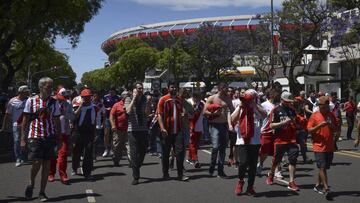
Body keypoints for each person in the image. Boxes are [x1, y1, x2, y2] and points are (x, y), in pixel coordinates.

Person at [21, 77, 61, 201]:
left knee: (47, 165)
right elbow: (25, 120)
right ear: (41, 87)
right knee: (37, 162)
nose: (50, 89)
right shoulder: (31, 101)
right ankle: (31, 183)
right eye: (48, 87)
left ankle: (42, 192)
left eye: (51, 87)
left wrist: (59, 139)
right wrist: (23, 138)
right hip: (35, 135)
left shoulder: (55, 103)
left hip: (50, 136)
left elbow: (57, 121)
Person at [232, 89, 266, 196]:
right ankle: (241, 181)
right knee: (243, 163)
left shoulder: (257, 107)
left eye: (250, 98)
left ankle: (250, 187)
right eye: (247, 98)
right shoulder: (240, 107)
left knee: (252, 166)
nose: (248, 100)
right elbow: (233, 119)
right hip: (242, 140)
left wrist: (254, 106)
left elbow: (265, 115)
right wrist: (241, 107)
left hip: (255, 141)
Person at [266, 91, 300, 191]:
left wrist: (297, 126)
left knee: (293, 160)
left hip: (291, 139)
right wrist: (284, 122)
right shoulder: (275, 110)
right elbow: (271, 125)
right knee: (276, 161)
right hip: (279, 140)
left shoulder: (292, 110)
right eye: (287, 101)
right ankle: (271, 174)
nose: (289, 103)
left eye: (290, 101)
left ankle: (291, 181)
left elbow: (295, 122)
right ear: (281, 100)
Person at [307, 96, 340, 200]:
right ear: (320, 106)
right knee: (322, 167)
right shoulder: (314, 116)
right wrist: (319, 126)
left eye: (327, 106)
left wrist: (331, 125)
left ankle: (317, 186)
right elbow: (309, 130)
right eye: (324, 107)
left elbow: (336, 128)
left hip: (329, 146)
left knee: (324, 167)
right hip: (318, 146)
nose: (327, 109)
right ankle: (326, 189)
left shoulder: (331, 115)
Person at [157, 82, 189, 181]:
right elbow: (159, 115)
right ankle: (165, 173)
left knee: (180, 153)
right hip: (166, 131)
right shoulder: (163, 99)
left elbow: (185, 111)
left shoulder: (180, 100)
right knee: (166, 153)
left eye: (175, 87)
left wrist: (184, 114)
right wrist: (162, 128)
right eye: (172, 87)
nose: (174, 89)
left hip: (178, 131)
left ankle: (180, 174)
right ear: (168, 88)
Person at [203, 82, 234, 178]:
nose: (228, 90)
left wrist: (230, 124)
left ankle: (220, 170)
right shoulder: (212, 98)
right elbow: (204, 112)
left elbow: (232, 111)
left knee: (223, 149)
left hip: (224, 125)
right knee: (216, 147)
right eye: (226, 88)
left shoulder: (228, 99)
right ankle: (212, 167)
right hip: (214, 125)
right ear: (221, 89)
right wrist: (213, 114)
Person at [125, 83, 151, 185]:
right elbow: (128, 111)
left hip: (143, 129)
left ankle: (136, 165)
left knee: (143, 150)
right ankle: (136, 177)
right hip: (133, 130)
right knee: (134, 153)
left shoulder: (145, 99)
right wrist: (134, 99)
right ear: (134, 90)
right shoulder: (128, 99)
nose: (140, 90)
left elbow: (147, 113)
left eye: (141, 88)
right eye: (138, 88)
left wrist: (148, 103)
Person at [48, 87, 74, 185]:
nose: (61, 100)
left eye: (63, 98)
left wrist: (65, 114)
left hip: (64, 133)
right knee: (52, 155)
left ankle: (63, 175)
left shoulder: (68, 104)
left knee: (62, 155)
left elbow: (73, 116)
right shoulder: (51, 103)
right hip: (52, 133)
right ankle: (51, 173)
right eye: (60, 98)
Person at [256, 88, 283, 178]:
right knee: (264, 152)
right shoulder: (264, 105)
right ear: (271, 95)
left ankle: (277, 170)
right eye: (277, 94)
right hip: (266, 131)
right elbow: (258, 117)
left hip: (277, 131)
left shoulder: (279, 105)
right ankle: (260, 165)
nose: (278, 96)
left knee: (278, 152)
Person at [1, 85, 30, 167]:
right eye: (26, 92)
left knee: (26, 141)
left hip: (27, 124)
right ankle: (18, 158)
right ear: (21, 92)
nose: (27, 93)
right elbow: (7, 114)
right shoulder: (12, 101)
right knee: (17, 141)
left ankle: (24, 156)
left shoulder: (29, 101)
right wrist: (4, 126)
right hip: (16, 124)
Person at [72, 89, 97, 181]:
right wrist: (81, 106)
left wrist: (94, 133)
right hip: (78, 132)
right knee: (76, 152)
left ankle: (87, 173)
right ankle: (75, 167)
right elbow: (74, 116)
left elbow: (94, 121)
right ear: (82, 98)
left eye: (88, 97)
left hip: (89, 132)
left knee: (88, 153)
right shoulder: (77, 106)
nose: (87, 99)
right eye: (85, 97)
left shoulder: (94, 107)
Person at [187, 91, 205, 168]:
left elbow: (204, 113)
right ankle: (195, 159)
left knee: (196, 144)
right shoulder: (188, 102)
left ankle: (190, 157)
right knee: (192, 143)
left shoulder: (202, 103)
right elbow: (187, 114)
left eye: (199, 97)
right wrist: (193, 108)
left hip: (199, 126)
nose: (198, 98)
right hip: (190, 126)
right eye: (196, 96)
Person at [110, 93, 128, 167]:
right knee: (117, 146)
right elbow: (111, 115)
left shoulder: (131, 104)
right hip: (118, 129)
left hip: (128, 129)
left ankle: (132, 162)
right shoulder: (116, 105)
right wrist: (113, 125)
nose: (127, 97)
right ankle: (116, 160)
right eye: (126, 96)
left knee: (129, 146)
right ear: (122, 97)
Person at [103, 88, 121, 157]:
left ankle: (113, 149)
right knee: (106, 133)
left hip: (115, 118)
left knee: (114, 134)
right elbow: (102, 106)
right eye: (110, 91)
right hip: (107, 117)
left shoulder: (118, 98)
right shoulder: (105, 97)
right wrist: (106, 109)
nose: (111, 92)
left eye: (113, 91)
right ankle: (106, 148)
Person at [92, 91, 106, 162]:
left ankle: (94, 156)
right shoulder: (90, 104)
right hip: (90, 125)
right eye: (94, 96)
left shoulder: (101, 105)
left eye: (96, 96)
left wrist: (103, 123)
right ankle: (90, 155)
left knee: (96, 140)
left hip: (98, 124)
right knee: (91, 141)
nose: (95, 97)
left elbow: (104, 114)